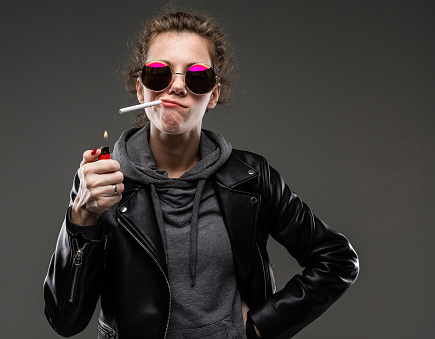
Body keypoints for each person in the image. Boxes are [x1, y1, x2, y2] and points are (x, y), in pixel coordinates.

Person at [43, 9, 359, 339]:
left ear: (213, 95)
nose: (177, 86)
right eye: (158, 74)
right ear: (141, 90)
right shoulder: (101, 180)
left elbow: (337, 259)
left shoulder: (249, 178)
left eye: (196, 77)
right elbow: (65, 321)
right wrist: (82, 216)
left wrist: (261, 326)